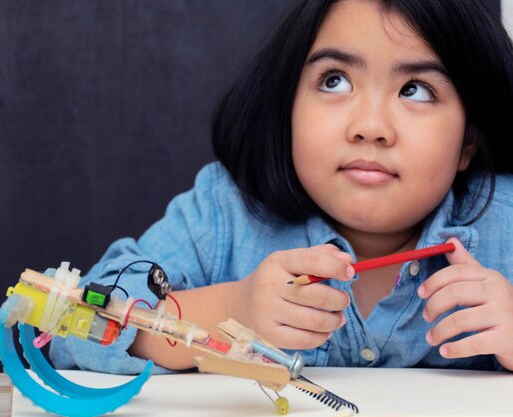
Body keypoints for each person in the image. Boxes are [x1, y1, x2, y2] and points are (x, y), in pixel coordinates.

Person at [51, 0, 513, 374]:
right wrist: (230, 310)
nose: (371, 127)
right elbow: (72, 325)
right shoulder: (223, 213)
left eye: (415, 90)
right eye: (335, 80)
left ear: (468, 140)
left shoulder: (505, 221)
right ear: (288, 106)